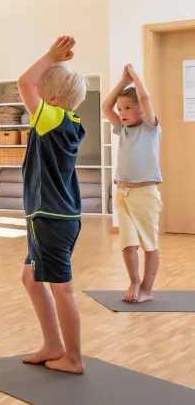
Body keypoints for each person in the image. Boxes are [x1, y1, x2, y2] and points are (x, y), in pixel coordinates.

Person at [17, 36, 87, 375]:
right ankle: (53, 345)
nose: (34, 101)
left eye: (41, 95)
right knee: (32, 280)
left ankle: (73, 358)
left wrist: (49, 56)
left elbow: (23, 83)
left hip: (50, 218)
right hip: (56, 217)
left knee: (63, 289)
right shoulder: (69, 122)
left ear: (54, 99)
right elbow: (32, 86)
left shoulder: (52, 119)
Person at [102, 64, 162, 304]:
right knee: (128, 244)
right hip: (122, 193)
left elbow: (145, 97)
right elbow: (105, 106)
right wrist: (121, 81)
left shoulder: (150, 129)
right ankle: (134, 282)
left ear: (141, 110)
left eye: (128, 107)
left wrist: (134, 77)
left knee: (149, 244)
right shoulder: (121, 130)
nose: (122, 112)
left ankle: (147, 288)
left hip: (145, 194)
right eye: (121, 109)